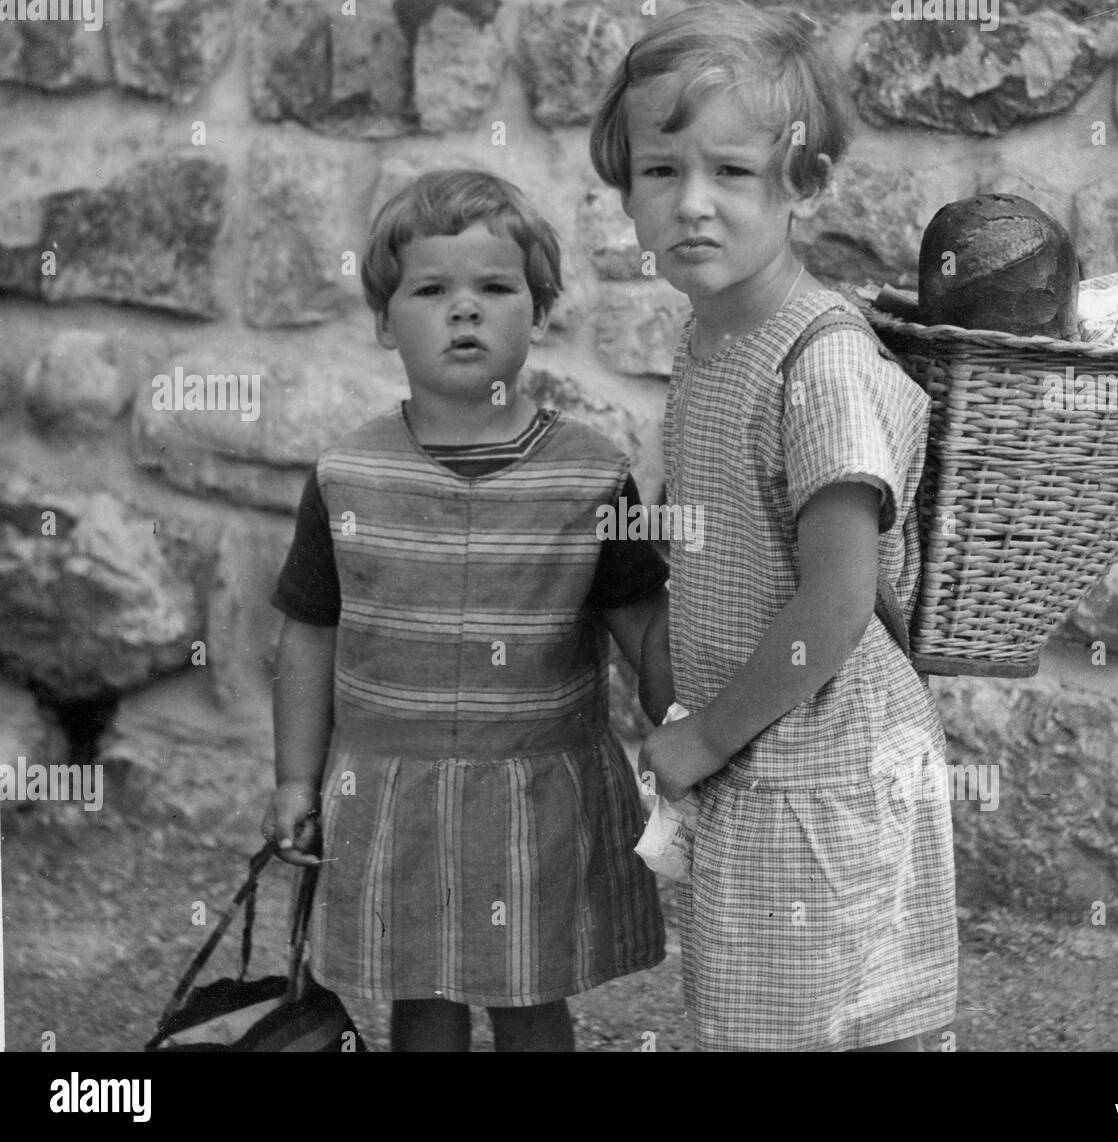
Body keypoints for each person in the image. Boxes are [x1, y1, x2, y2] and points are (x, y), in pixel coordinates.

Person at [589, 2, 957, 1051]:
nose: (691, 206)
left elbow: (837, 597)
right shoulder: (712, 339)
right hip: (766, 748)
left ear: (802, 183)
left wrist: (703, 731)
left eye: (732, 173)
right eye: (661, 172)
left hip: (828, 762)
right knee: (757, 1014)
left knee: (817, 1023)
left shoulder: (821, 363)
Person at [261, 169, 667, 1052]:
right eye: (431, 289)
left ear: (543, 309)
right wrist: (296, 778)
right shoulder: (346, 477)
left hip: (538, 797)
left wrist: (703, 724)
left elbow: (643, 626)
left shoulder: (593, 474)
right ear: (382, 319)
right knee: (423, 997)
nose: (465, 311)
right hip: (393, 794)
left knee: (531, 996)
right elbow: (308, 637)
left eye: (495, 287)